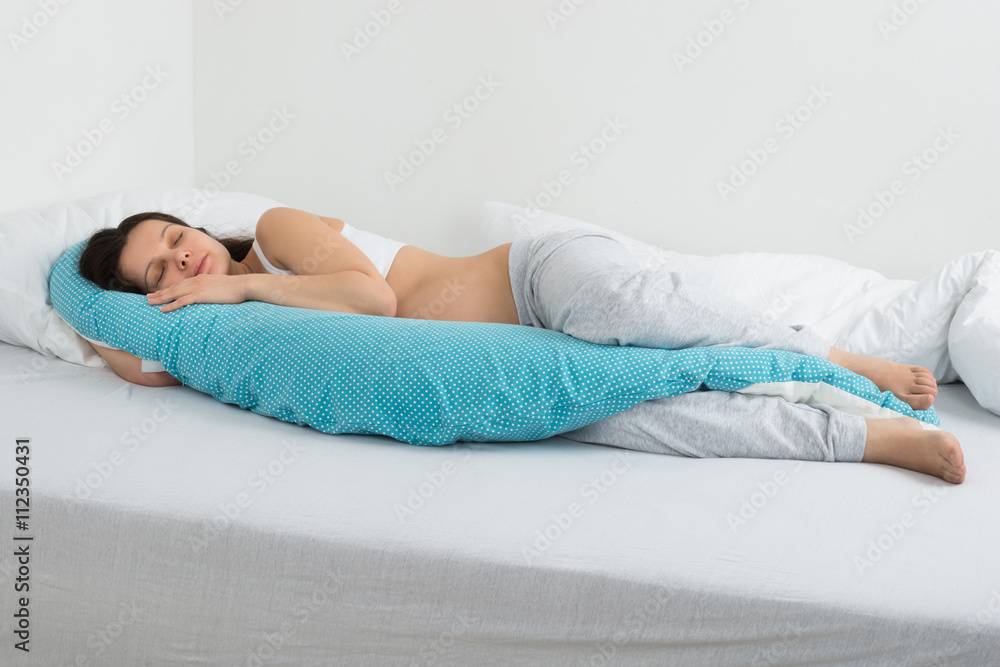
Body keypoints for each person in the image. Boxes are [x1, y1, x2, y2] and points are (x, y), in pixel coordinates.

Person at [78, 206, 966, 484]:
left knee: (651, 314)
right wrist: (99, 325)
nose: (178, 259)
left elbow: (371, 299)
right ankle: (866, 438)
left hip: (536, 280)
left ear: (196, 224)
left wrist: (237, 282)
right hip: (516, 362)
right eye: (156, 271)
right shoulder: (224, 329)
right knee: (654, 417)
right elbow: (150, 369)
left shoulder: (272, 239)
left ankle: (832, 361)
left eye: (173, 236)